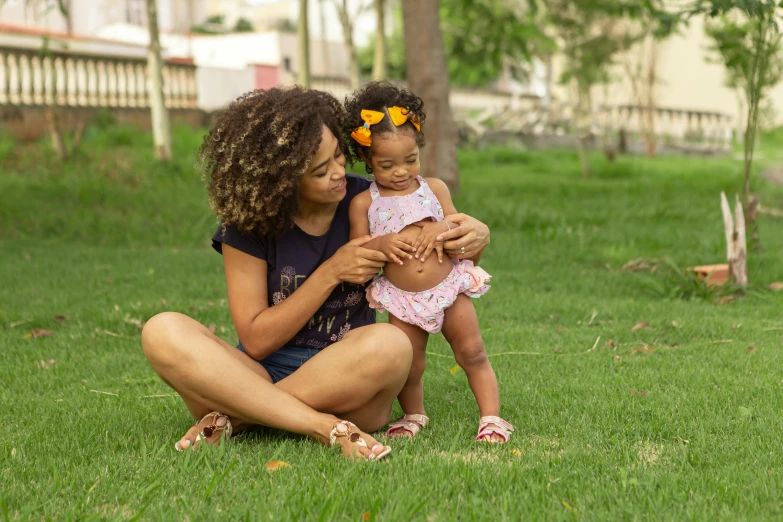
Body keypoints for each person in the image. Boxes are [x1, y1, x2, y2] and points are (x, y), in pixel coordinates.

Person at [140, 86, 492, 460]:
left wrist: (477, 237)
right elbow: (257, 341)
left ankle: (239, 415)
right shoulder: (246, 227)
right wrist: (331, 272)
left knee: (392, 344)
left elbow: (435, 258)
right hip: (258, 371)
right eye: (321, 171)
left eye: (340, 156)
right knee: (162, 331)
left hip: (346, 374)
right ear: (281, 180)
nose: (339, 173)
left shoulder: (370, 201)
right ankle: (321, 425)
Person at [345, 82, 513, 443]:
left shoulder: (433, 188)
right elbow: (358, 249)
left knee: (472, 351)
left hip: (448, 288)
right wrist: (383, 242)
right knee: (410, 364)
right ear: (367, 160)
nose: (402, 171)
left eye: (410, 160)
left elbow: (456, 223)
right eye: (387, 165)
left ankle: (492, 418)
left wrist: (440, 226)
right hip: (403, 299)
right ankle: (413, 414)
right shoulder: (364, 203)